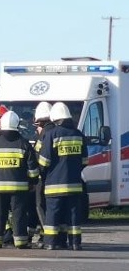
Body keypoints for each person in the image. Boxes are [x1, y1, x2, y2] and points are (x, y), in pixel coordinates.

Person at [0, 111, 39, 249]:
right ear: (17, 125)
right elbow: (33, 169)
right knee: (19, 214)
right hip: (19, 188)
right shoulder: (24, 143)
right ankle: (20, 242)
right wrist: (32, 182)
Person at [37, 101, 87, 251]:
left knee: (53, 214)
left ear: (55, 118)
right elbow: (85, 160)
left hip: (54, 184)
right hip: (74, 184)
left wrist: (43, 176)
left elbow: (44, 161)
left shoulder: (52, 134)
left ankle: (51, 243)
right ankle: (75, 243)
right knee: (72, 215)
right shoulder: (79, 134)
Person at [31, 101, 53, 244]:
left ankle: (46, 234)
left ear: (40, 123)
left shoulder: (44, 135)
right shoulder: (56, 132)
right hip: (55, 177)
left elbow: (39, 157)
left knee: (40, 205)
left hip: (42, 176)